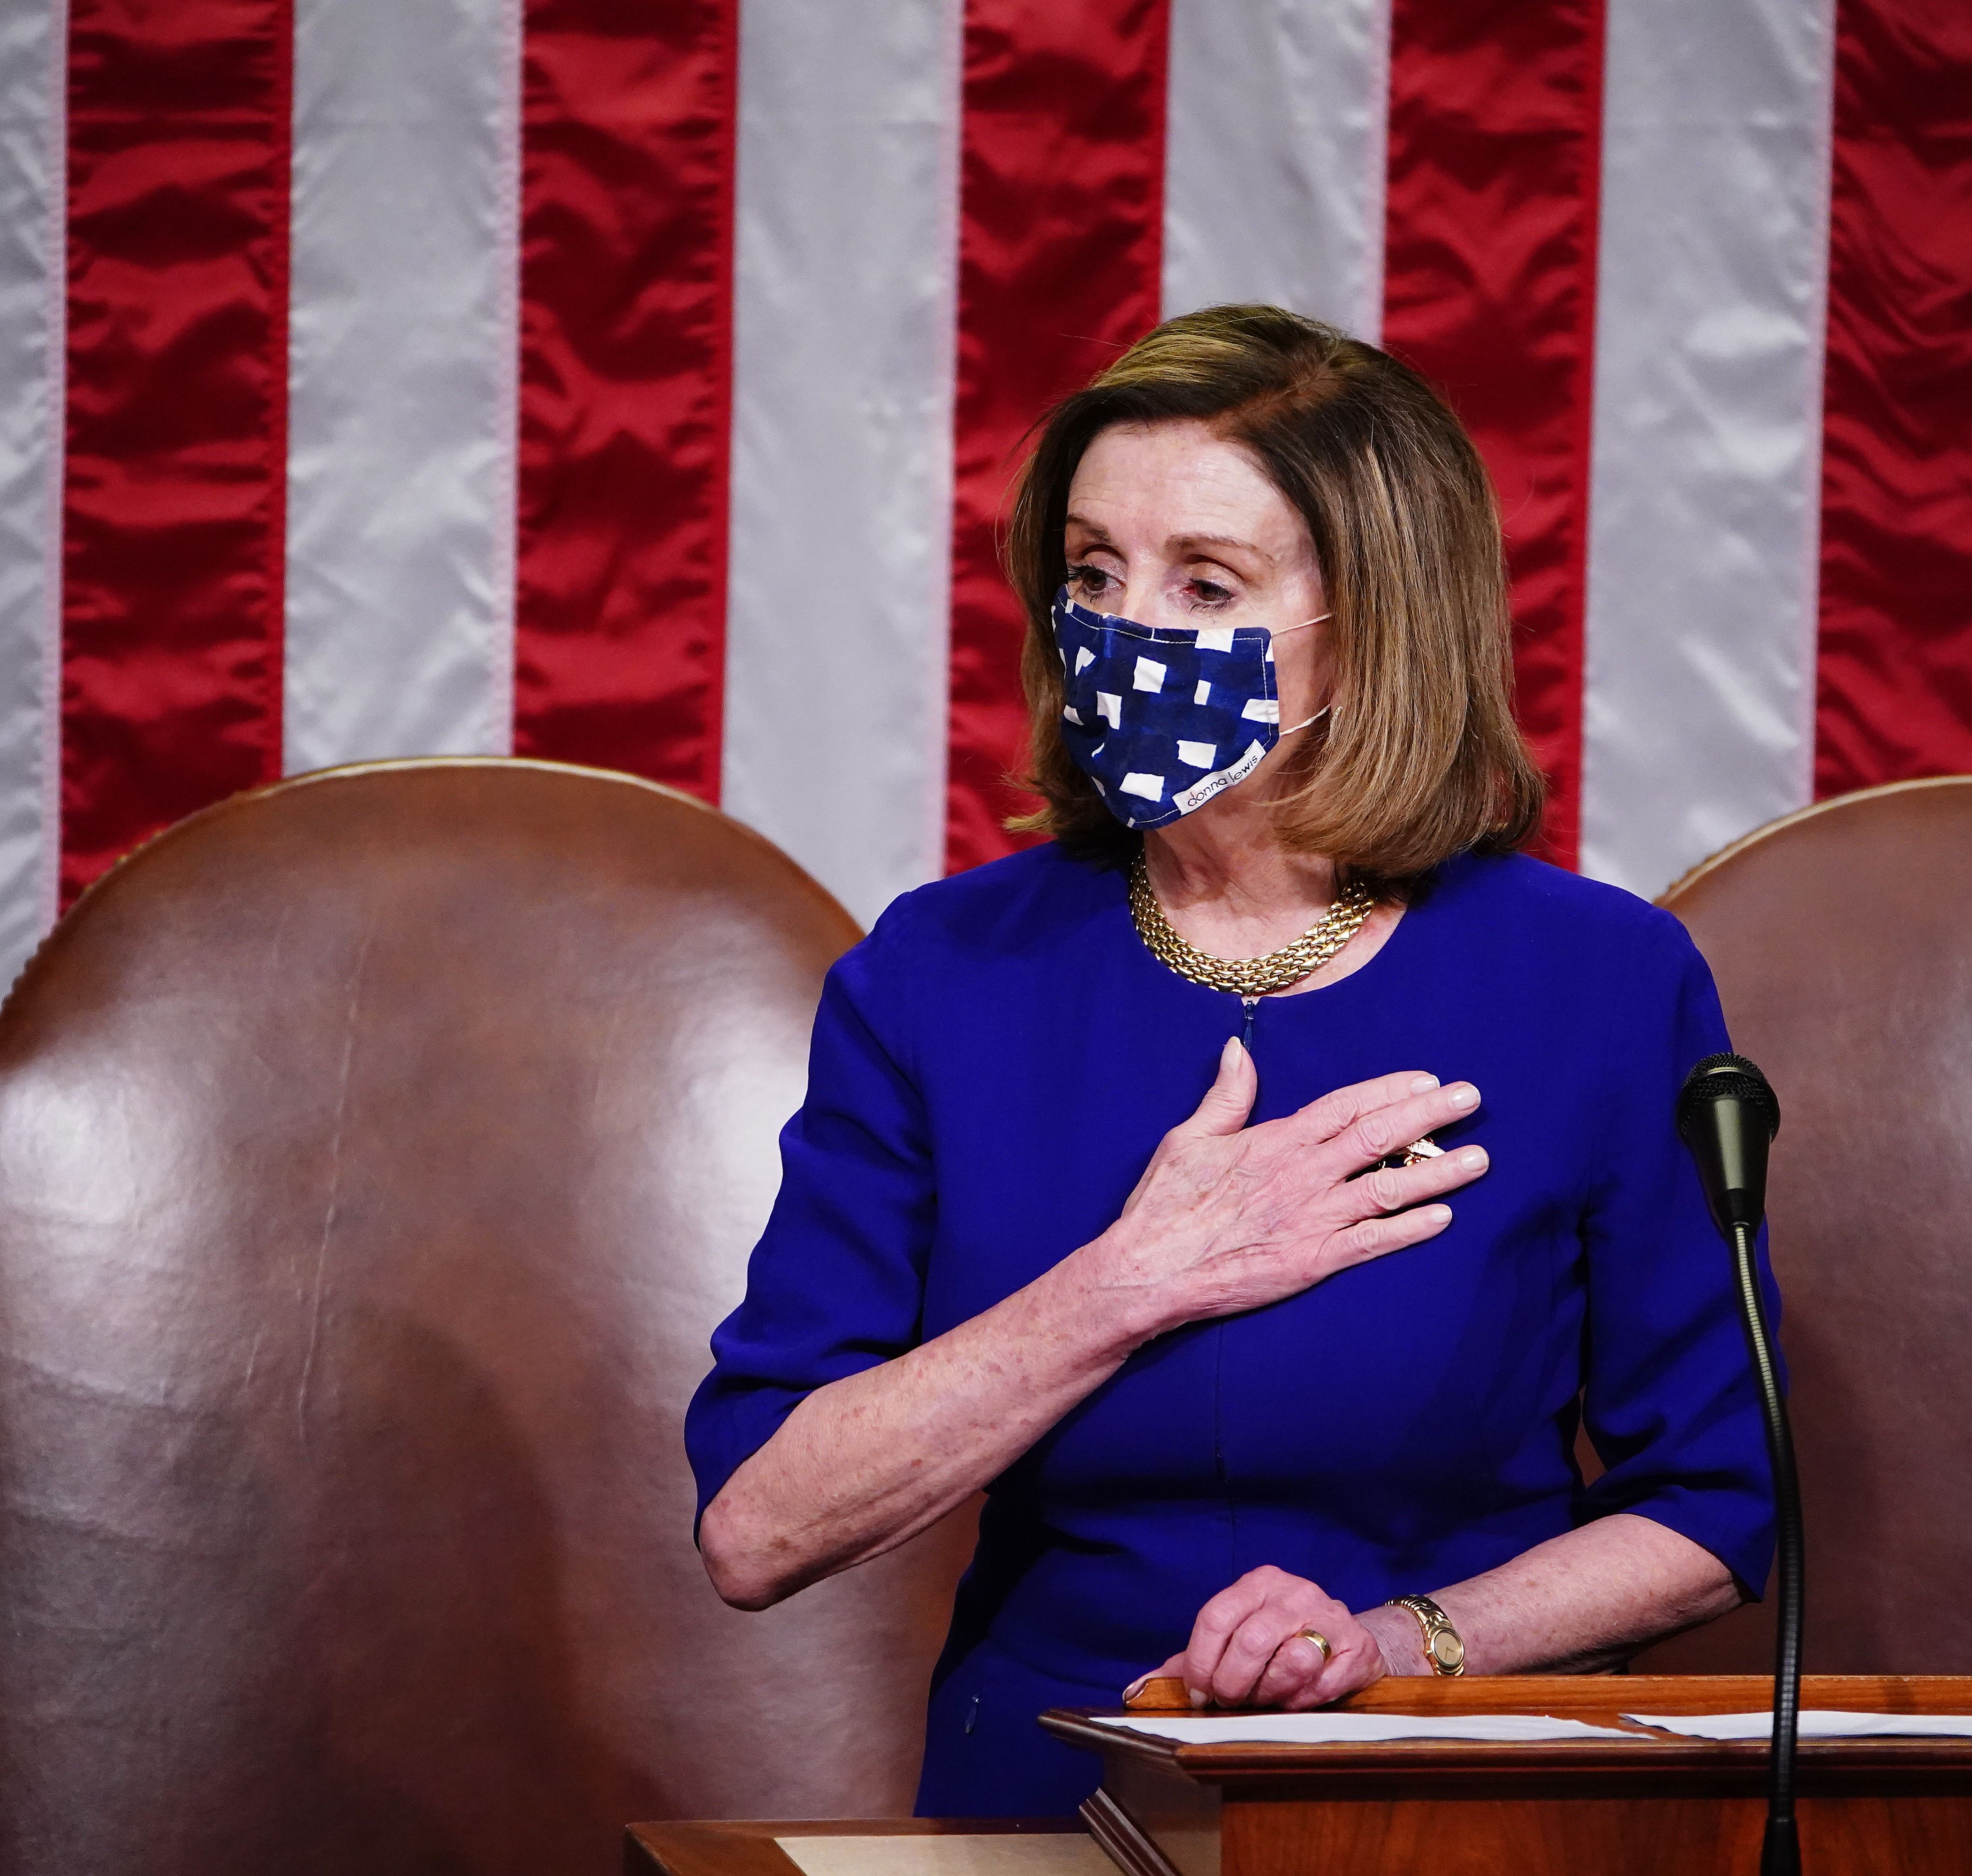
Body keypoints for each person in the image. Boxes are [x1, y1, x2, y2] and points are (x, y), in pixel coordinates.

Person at [685, 303, 1780, 1816]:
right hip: (1046, 1798)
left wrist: (1405, 1646)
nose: (1124, 628)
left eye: (1205, 583)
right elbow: (759, 1529)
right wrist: (1138, 1278)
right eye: (1091, 573)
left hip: (1442, 1804)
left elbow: (1716, 1505)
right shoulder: (944, 972)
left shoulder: (1598, 981)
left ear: (1375, 624)